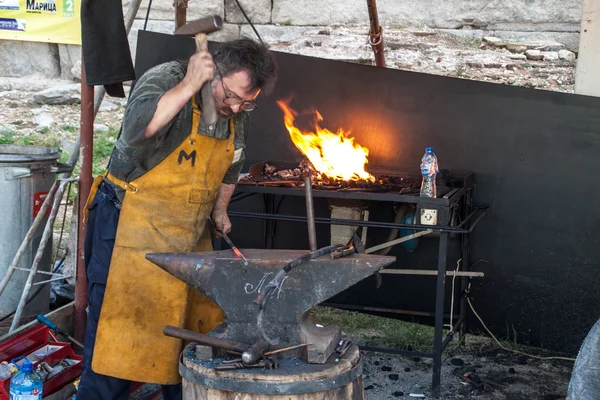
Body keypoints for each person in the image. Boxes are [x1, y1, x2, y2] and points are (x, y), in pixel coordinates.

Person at [77, 38, 278, 400]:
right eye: (231, 95)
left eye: (248, 101)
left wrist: (219, 209)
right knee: (117, 342)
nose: (237, 106)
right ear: (211, 72)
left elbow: (233, 163)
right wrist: (188, 86)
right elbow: (138, 130)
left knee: (189, 340)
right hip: (129, 228)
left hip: (188, 234)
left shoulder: (237, 108)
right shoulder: (165, 79)